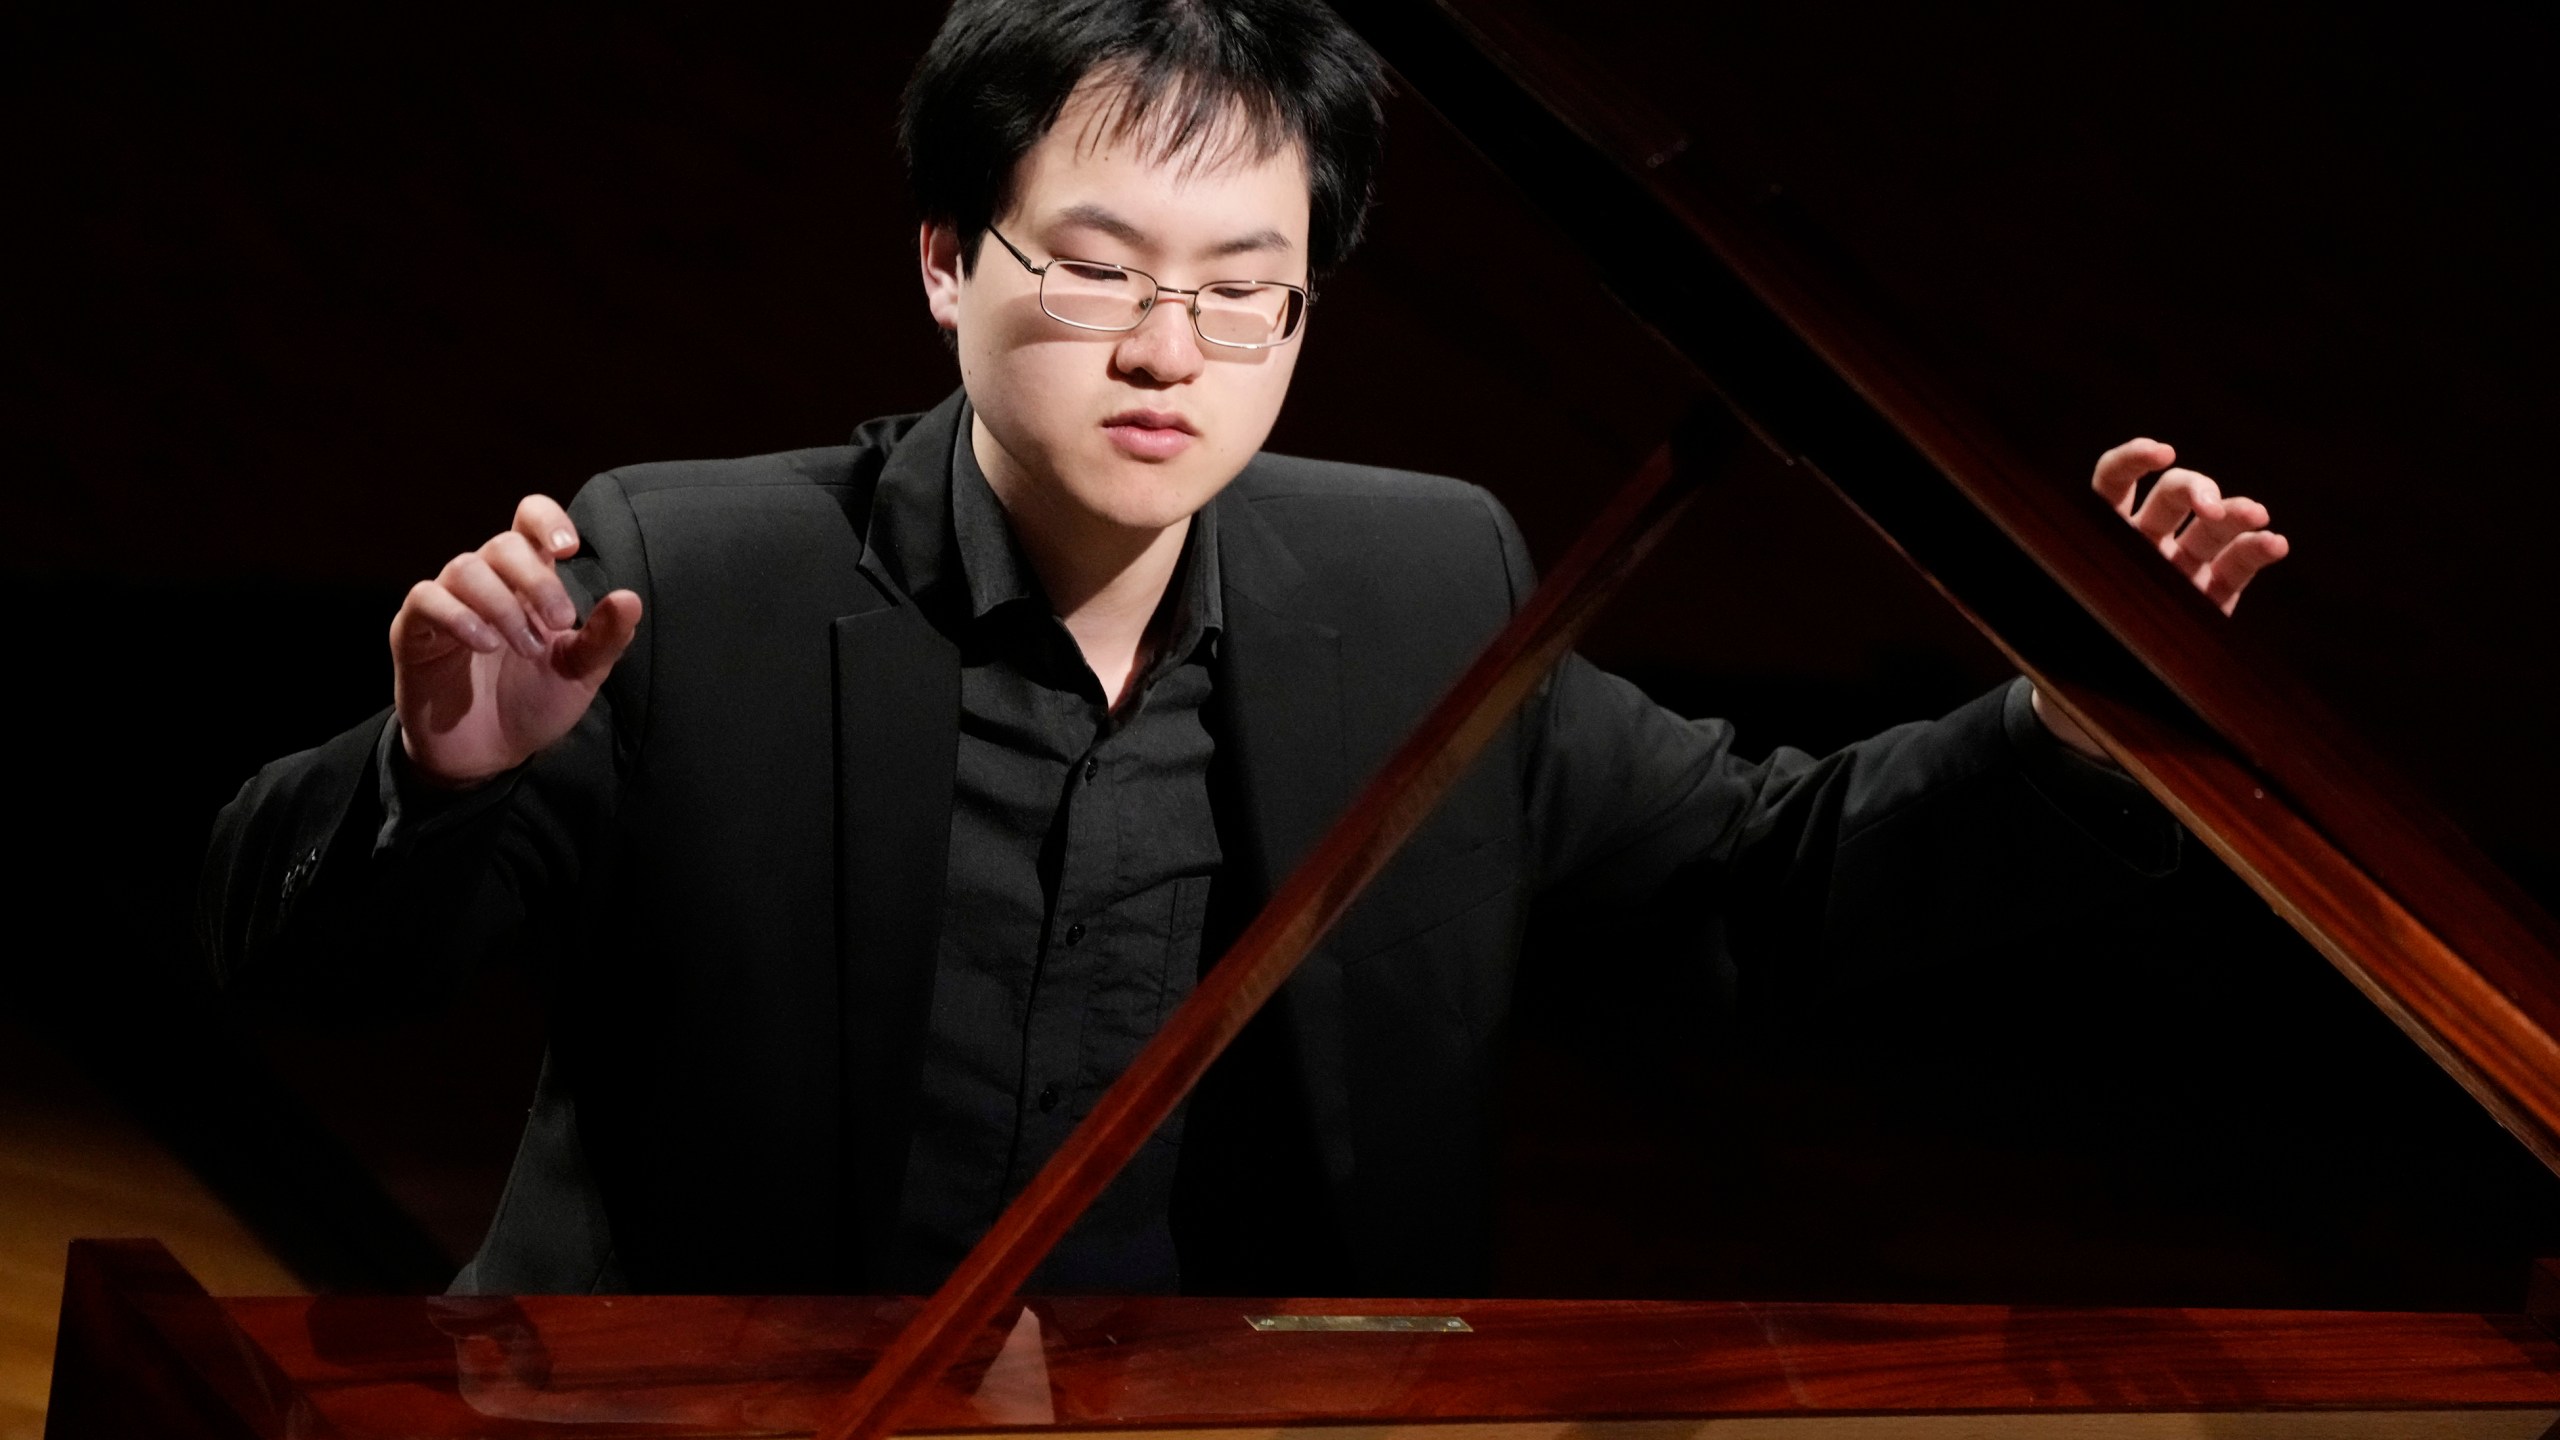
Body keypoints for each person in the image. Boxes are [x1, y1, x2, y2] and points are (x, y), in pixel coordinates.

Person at [200, 0, 2288, 1298]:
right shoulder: (700, 569)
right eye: (1094, 267)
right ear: (944, 261)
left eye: (1242, 287)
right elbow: (299, 965)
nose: (1164, 348)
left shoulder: (1413, 590)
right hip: (723, 1416)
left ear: (1305, 311)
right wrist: (431, 777)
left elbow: (1765, 880)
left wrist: (2073, 723)